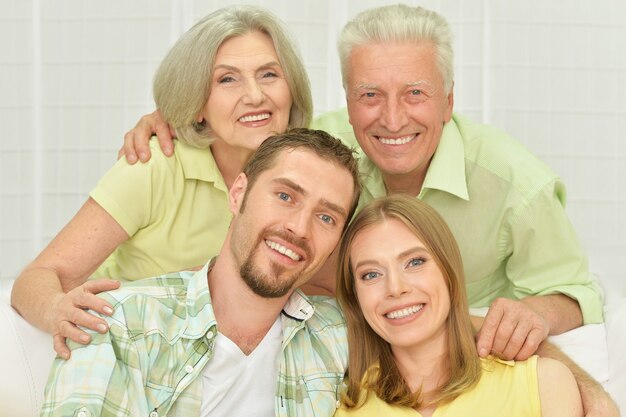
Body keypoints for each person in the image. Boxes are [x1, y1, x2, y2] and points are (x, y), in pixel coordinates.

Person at [121, 3, 603, 362]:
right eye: (370, 95)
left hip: (457, 354)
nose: (392, 120)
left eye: (415, 93)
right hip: (338, 351)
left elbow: (575, 292)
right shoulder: (318, 146)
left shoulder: (517, 187)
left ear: (448, 102)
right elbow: (243, 133)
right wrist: (176, 117)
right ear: (348, 102)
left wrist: (537, 315)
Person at [11, 5, 313, 360]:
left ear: (292, 88)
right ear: (197, 103)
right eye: (226, 79)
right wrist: (57, 310)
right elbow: (38, 277)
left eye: (269, 74)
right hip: (139, 356)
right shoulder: (154, 166)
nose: (255, 96)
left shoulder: (313, 168)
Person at [39, 129, 362, 417]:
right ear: (238, 194)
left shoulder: (338, 334)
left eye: (326, 218)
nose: (299, 227)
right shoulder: (123, 322)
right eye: (284, 196)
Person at [335, 194, 583, 417]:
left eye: (415, 262)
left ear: (448, 271)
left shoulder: (544, 384)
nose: (395, 288)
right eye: (371, 274)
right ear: (355, 297)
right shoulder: (344, 408)